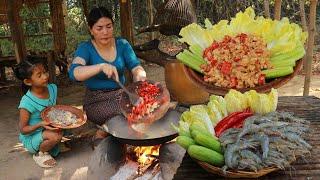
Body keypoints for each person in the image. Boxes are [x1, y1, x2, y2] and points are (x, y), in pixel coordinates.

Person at [68, 7, 147, 145]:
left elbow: (136, 67)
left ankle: (114, 133)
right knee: (126, 113)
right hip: (96, 100)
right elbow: (74, 73)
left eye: (108, 26)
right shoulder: (86, 48)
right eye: (99, 28)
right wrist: (100, 66)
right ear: (91, 30)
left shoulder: (122, 44)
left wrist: (140, 77)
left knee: (146, 108)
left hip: (121, 94)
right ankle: (102, 133)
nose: (105, 32)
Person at [14, 57, 62, 168]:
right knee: (55, 136)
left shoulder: (52, 88)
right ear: (28, 81)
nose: (45, 76)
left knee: (70, 124)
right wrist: (40, 124)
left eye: (45, 72)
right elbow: (23, 130)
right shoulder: (27, 102)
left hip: (48, 128)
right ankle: (40, 153)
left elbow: (57, 108)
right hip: (32, 135)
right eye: (39, 75)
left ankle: (52, 145)